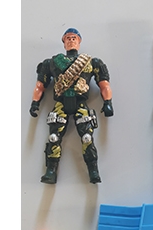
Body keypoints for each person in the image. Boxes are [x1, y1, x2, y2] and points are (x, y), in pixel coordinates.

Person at [29, 28, 114, 184]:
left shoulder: (91, 62)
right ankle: (51, 171)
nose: (71, 40)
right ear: (63, 42)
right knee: (53, 138)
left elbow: (104, 85)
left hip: (80, 103)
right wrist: (35, 103)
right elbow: (40, 86)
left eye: (74, 38)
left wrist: (108, 102)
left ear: (79, 41)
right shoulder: (52, 63)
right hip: (60, 104)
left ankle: (93, 171)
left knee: (87, 137)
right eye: (67, 38)